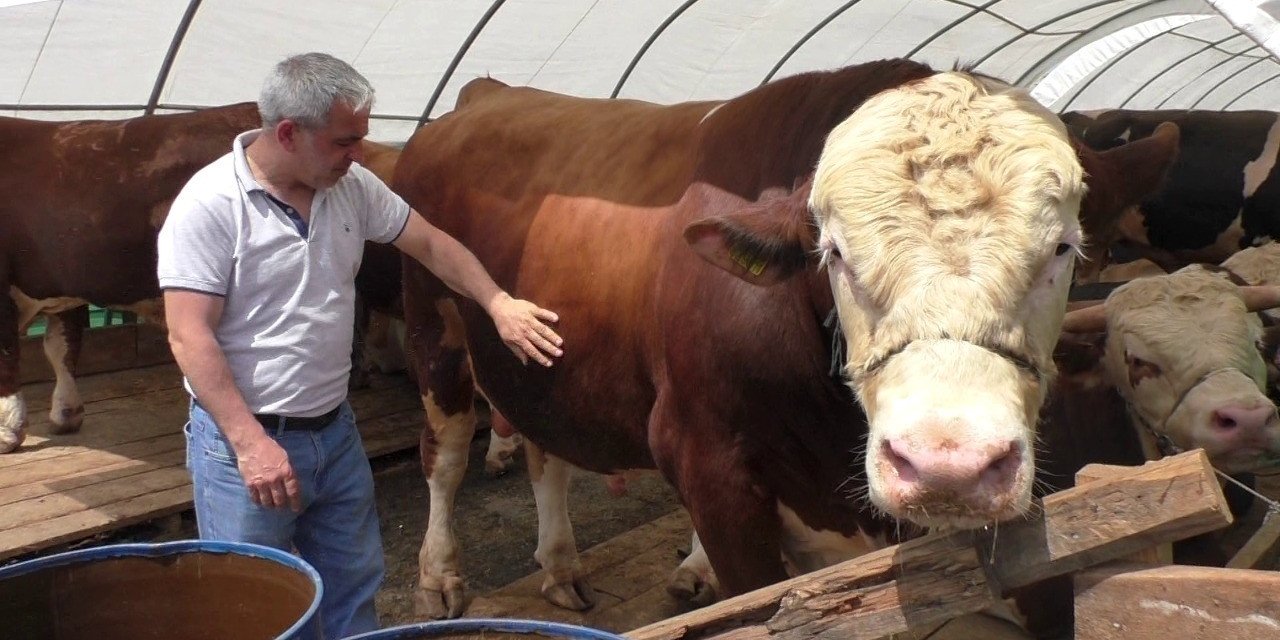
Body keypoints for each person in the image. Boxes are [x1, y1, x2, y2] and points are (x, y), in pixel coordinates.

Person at [157, 52, 563, 639]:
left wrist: (497, 301)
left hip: (334, 434)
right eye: (346, 141)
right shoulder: (210, 206)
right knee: (254, 610)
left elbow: (431, 244)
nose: (359, 154)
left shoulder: (351, 188)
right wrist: (250, 445)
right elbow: (187, 333)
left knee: (352, 591)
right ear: (289, 133)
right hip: (247, 446)